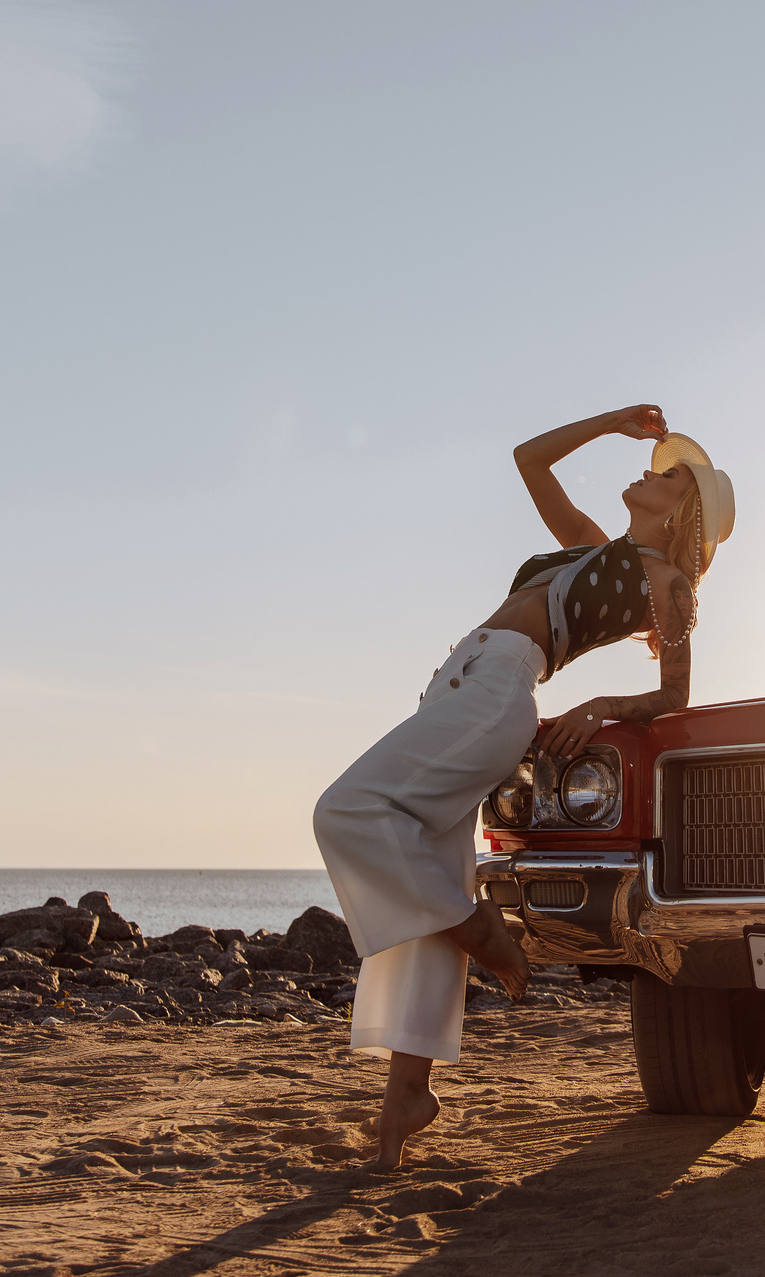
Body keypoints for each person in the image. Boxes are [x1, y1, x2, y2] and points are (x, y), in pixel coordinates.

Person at [312, 405, 736, 1167]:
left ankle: (484, 932)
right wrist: (613, 422)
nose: (651, 470)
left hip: (496, 696)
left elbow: (673, 696)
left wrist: (601, 705)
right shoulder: (587, 546)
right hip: (455, 684)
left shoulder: (668, 584)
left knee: (345, 810)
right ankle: (408, 1093)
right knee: (430, 883)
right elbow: (528, 458)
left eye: (669, 476)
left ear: (685, 511)